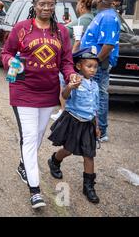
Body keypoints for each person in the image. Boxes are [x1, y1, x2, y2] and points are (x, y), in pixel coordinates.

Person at [1, 0, 78, 209]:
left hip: (48, 92)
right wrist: (10, 62)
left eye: (50, 4)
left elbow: (66, 61)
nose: (46, 8)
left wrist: (71, 75)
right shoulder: (21, 28)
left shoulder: (61, 31)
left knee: (37, 137)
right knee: (30, 137)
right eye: (42, 4)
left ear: (55, 5)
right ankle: (35, 191)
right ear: (34, 5)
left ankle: (24, 164)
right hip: (23, 90)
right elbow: (6, 52)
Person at [48, 47, 101, 204]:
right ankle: (54, 161)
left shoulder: (95, 86)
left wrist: (97, 126)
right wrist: (70, 86)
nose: (92, 70)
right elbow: (64, 96)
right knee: (69, 149)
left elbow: (95, 108)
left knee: (89, 154)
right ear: (79, 66)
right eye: (89, 66)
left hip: (88, 124)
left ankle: (89, 186)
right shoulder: (75, 80)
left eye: (95, 67)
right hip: (74, 121)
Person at [80, 0, 120, 142]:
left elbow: (108, 45)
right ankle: (95, 129)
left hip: (98, 65)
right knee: (95, 95)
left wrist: (94, 63)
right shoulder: (102, 15)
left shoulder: (109, 17)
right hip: (93, 63)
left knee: (98, 96)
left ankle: (100, 132)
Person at [51, 0, 96, 121]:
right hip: (89, 60)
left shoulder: (83, 20)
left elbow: (60, 31)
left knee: (65, 84)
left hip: (77, 58)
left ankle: (64, 111)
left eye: (78, 3)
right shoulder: (94, 19)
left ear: (82, 4)